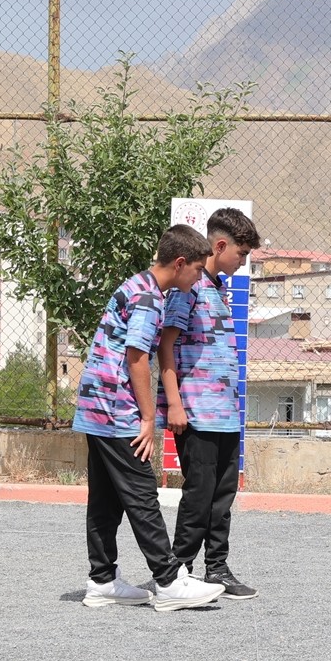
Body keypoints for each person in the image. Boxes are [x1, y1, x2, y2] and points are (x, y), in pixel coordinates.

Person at [73, 224, 227, 612]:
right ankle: (169, 580)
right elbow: (138, 357)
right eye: (196, 269)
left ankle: (102, 580)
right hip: (116, 410)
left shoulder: (138, 285)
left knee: (107, 498)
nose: (198, 278)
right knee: (142, 493)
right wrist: (146, 419)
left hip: (97, 407)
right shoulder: (148, 298)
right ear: (179, 263)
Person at [157, 208, 261, 600]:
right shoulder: (190, 287)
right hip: (197, 413)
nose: (244, 262)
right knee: (198, 496)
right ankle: (176, 572)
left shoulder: (218, 289)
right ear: (221, 245)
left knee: (222, 496)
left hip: (226, 416)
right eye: (242, 254)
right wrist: (175, 405)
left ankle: (216, 567)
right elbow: (165, 346)